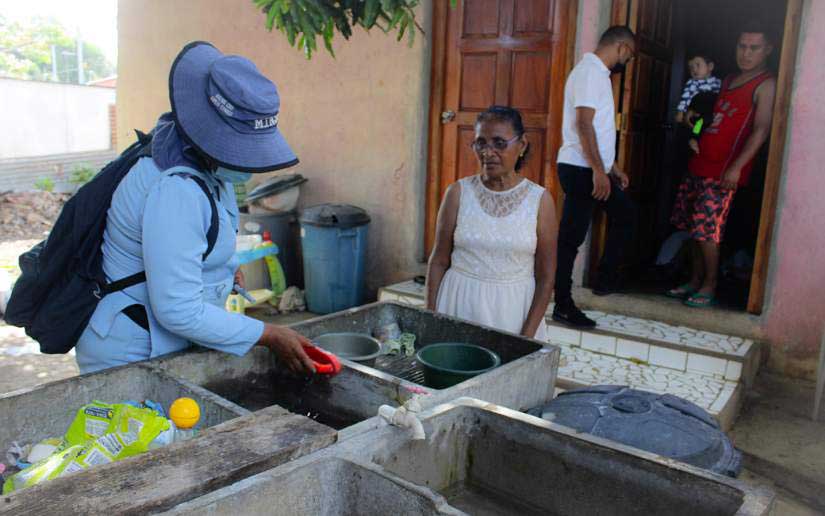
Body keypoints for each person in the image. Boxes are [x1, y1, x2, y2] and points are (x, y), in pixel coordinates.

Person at [75, 42, 317, 374]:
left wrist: (222, 270)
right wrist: (269, 334)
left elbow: (196, 239)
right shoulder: (177, 189)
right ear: (211, 134)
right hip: (132, 350)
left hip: (161, 338)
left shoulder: (203, 162)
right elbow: (178, 310)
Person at [667, 22, 776, 308]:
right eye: (742, 46)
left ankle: (710, 285)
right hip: (699, 163)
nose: (746, 53)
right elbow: (706, 117)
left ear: (767, 49)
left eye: (754, 48)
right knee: (691, 227)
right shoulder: (726, 81)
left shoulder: (765, 84)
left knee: (707, 231)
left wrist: (738, 167)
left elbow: (761, 130)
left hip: (724, 171)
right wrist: (693, 128)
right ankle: (694, 280)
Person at [426, 106, 558, 340]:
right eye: (481, 143)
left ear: (522, 145)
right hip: (457, 306)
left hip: (512, 314)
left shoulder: (540, 201)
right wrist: (430, 317)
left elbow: (546, 276)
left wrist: (525, 337)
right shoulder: (457, 193)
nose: (488, 152)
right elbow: (438, 260)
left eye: (499, 143)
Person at [552, 26, 637, 328]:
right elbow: (584, 125)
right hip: (581, 169)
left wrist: (612, 168)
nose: (627, 61)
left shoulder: (598, 74)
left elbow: (598, 130)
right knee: (570, 239)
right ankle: (563, 304)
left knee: (624, 214)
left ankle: (605, 279)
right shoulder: (590, 72)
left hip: (588, 167)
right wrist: (599, 171)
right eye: (630, 55)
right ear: (621, 46)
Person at [675, 55, 722, 124]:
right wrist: (680, 112)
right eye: (691, 67)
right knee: (697, 127)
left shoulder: (718, 82)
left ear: (710, 66)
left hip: (713, 114)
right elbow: (685, 98)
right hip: (698, 114)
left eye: (698, 65)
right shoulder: (692, 83)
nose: (694, 70)